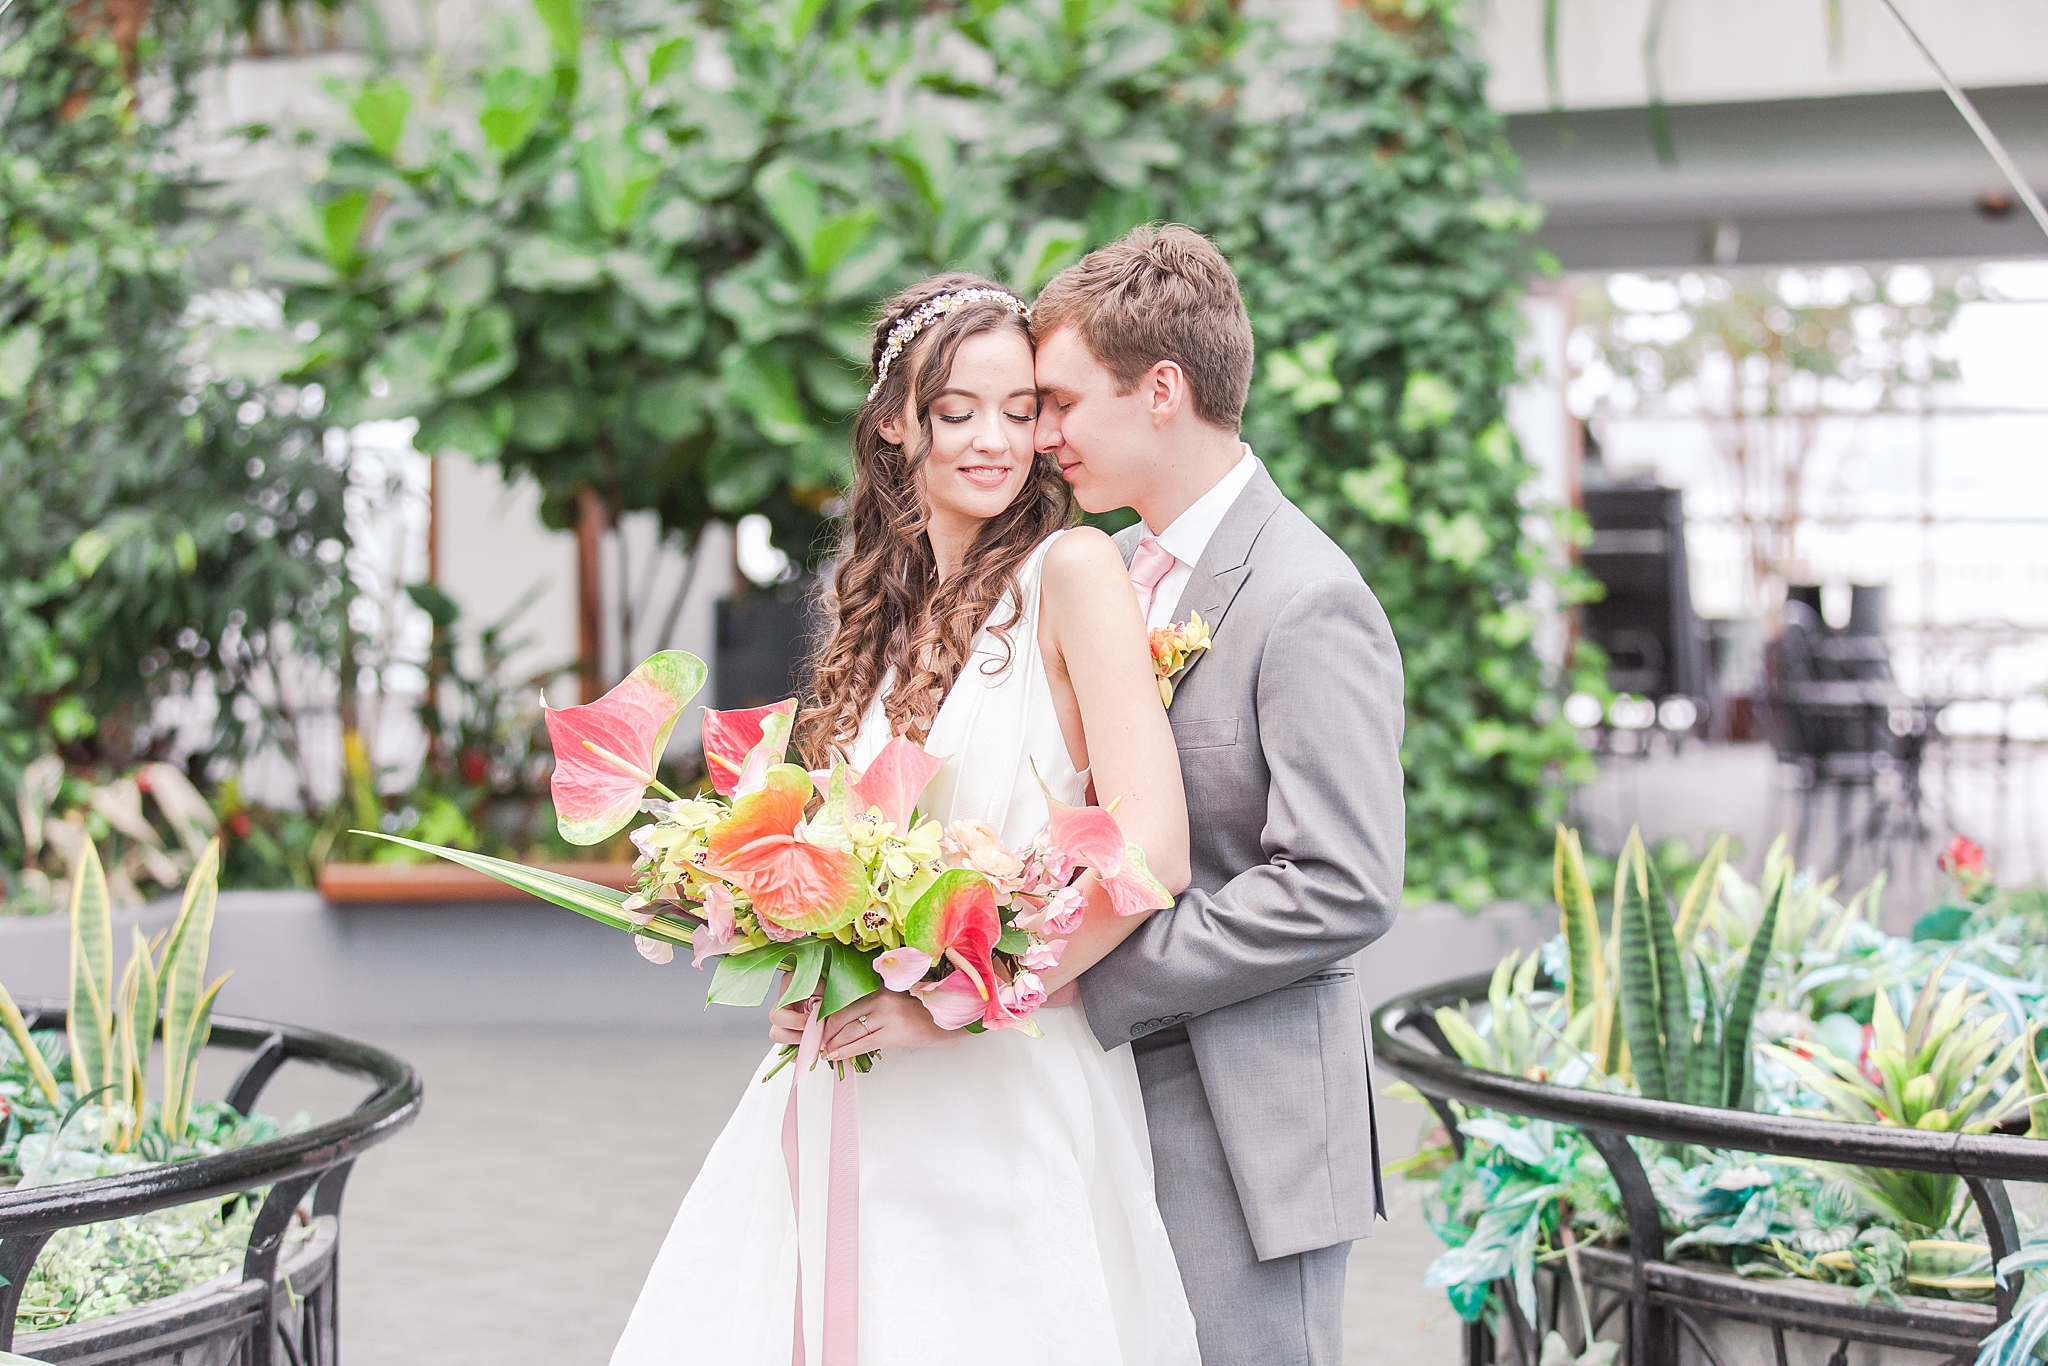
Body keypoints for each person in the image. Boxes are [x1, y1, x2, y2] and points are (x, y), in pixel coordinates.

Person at [610, 273, 1201, 1365]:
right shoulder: (875, 608)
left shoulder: (1070, 570)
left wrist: (954, 1008)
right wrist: (800, 965)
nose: (994, 440)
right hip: (852, 1075)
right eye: (956, 410)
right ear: (895, 422)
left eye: (1021, 411)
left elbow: (1149, 845)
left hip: (1003, 1084)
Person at [1030, 224, 1406, 1366]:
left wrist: (1082, 971)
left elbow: (1339, 886)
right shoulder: (1109, 568)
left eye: (1059, 402)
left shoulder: (1305, 597)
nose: (1041, 436)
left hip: (1243, 1125)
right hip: (1102, 1101)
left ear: (1160, 390)